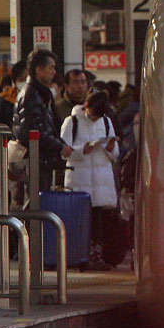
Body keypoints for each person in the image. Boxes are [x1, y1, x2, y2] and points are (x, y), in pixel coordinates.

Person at [61, 88, 119, 271]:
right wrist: (81, 150)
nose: (96, 120)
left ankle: (96, 257)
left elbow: (115, 154)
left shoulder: (107, 121)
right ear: (86, 106)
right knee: (81, 221)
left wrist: (110, 147)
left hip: (101, 180)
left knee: (99, 222)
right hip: (81, 178)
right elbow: (63, 151)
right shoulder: (72, 122)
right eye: (93, 115)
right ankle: (80, 257)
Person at [14, 48, 72, 196]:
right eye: (50, 67)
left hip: (41, 158)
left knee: (38, 203)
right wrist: (59, 145)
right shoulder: (32, 94)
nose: (54, 72)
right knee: (35, 203)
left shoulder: (41, 93)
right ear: (38, 70)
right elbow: (34, 129)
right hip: (34, 159)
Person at [0, 61, 28, 128]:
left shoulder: (39, 99)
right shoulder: (5, 101)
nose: (25, 83)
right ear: (14, 82)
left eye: (27, 79)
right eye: (22, 80)